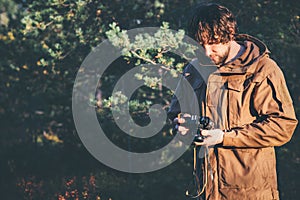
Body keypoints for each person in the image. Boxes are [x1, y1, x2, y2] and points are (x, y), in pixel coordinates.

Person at [169, 3, 298, 200]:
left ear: (229, 35)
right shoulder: (194, 69)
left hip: (251, 192)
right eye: (199, 44)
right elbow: (177, 113)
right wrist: (181, 125)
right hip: (205, 190)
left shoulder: (262, 69)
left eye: (213, 43)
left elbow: (283, 126)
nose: (206, 52)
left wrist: (224, 137)